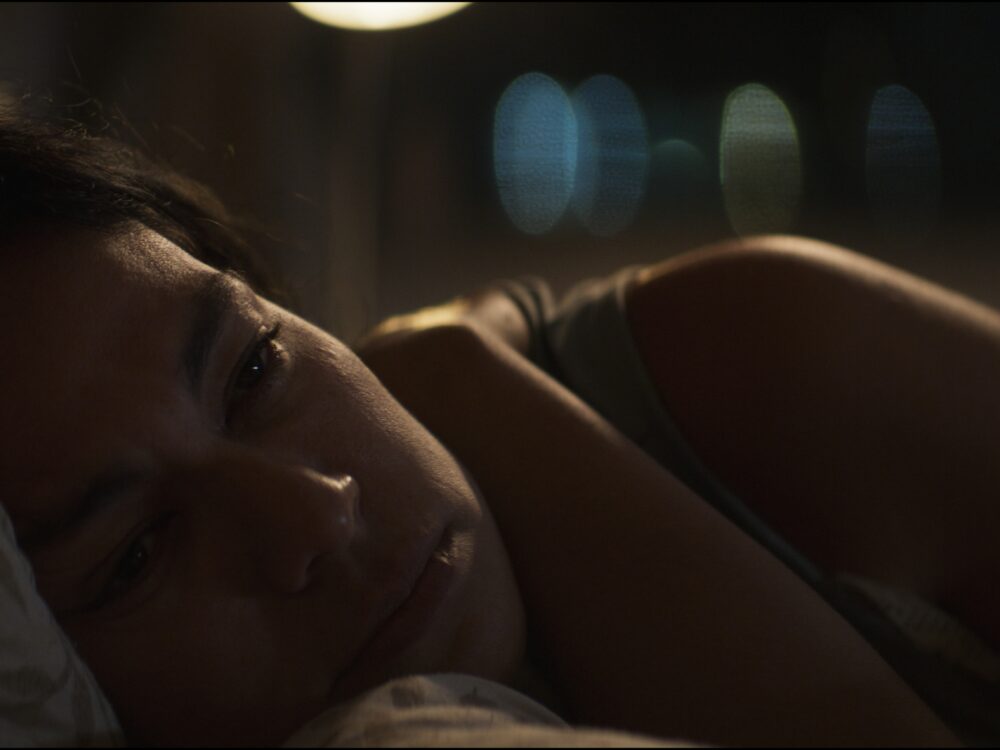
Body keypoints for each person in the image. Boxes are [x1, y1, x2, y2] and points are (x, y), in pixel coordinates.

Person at [0, 100, 983, 747]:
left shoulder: (743, 365)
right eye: (135, 558)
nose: (317, 514)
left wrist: (455, 369)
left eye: (255, 370)